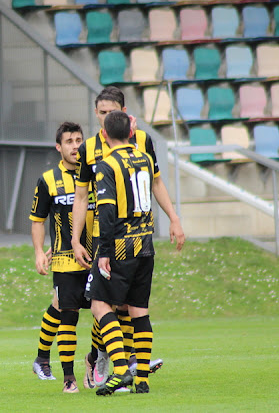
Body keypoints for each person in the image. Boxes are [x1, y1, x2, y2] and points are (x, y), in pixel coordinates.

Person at [71, 86, 184, 386]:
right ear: (96, 114)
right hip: (107, 237)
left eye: (112, 112)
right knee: (116, 304)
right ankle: (109, 359)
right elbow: (81, 197)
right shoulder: (89, 149)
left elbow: (157, 183)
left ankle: (116, 361)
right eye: (102, 112)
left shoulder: (143, 143)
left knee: (111, 304)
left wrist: (174, 217)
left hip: (120, 239)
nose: (106, 116)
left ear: (124, 112)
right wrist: (75, 238)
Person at [85, 110, 157, 395]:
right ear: (131, 133)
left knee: (100, 305)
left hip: (119, 247)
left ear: (104, 135)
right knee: (140, 311)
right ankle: (142, 379)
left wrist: (103, 251)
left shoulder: (106, 164)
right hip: (146, 245)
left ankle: (119, 370)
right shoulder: (146, 159)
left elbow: (107, 210)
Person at [29, 122, 97, 393]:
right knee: (67, 314)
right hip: (65, 260)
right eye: (69, 141)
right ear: (59, 147)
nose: (75, 145)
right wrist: (38, 251)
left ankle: (93, 361)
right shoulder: (47, 180)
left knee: (103, 313)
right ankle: (69, 378)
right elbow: (37, 220)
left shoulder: (95, 174)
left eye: (79, 139)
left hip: (96, 257)